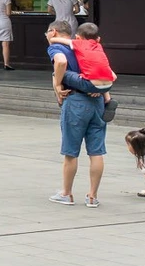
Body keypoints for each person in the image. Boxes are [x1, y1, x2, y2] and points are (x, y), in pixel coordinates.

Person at [47, 19, 105, 206]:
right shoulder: (87, 47)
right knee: (96, 151)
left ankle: (66, 193)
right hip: (97, 101)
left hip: (76, 102)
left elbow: (61, 62)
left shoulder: (57, 48)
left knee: (71, 151)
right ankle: (92, 196)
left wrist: (57, 83)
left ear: (53, 32)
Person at [71, 22, 117, 111]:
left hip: (93, 84)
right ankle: (108, 99)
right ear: (98, 39)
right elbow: (114, 77)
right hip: (108, 84)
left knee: (66, 74)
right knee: (102, 72)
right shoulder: (99, 47)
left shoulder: (79, 45)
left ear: (77, 38)